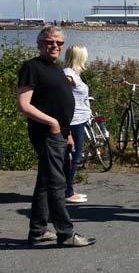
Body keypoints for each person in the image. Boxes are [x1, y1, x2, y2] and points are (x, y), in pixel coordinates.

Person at [17, 25, 95, 247]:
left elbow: (58, 103)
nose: (54, 46)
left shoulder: (56, 68)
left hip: (59, 133)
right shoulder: (32, 67)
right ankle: (65, 233)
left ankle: (38, 231)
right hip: (45, 133)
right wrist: (52, 123)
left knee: (44, 182)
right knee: (56, 183)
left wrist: (67, 132)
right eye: (50, 42)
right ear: (40, 43)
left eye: (59, 43)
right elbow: (23, 105)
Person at [63, 45, 91, 204]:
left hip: (79, 119)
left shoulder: (74, 74)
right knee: (73, 157)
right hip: (73, 121)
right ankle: (68, 192)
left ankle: (69, 188)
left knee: (73, 156)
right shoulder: (68, 74)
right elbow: (62, 96)